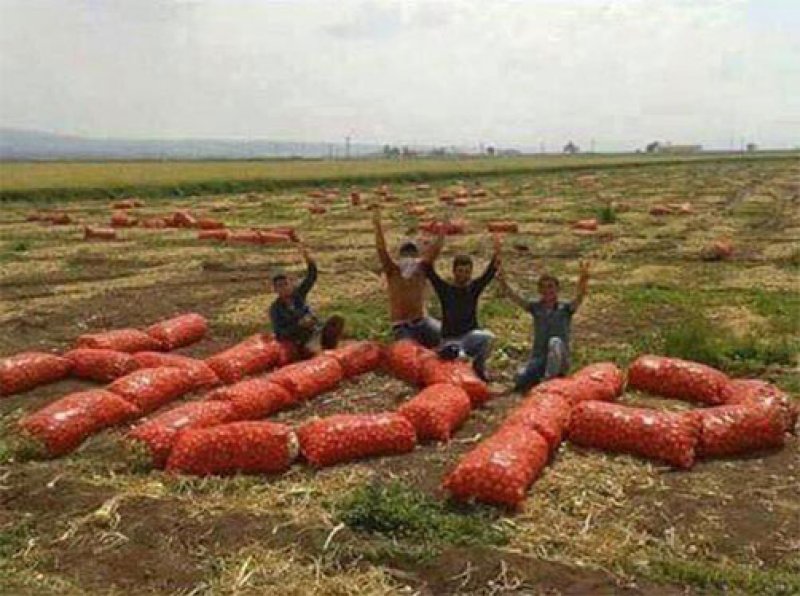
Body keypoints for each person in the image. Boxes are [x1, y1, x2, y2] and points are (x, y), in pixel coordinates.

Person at [498, 260, 591, 392]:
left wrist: (584, 279)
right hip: (540, 358)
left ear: (557, 289)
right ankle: (540, 376)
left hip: (560, 359)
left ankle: (549, 381)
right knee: (520, 378)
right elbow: (515, 298)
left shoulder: (565, 309)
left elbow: (580, 297)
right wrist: (503, 283)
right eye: (544, 287)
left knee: (555, 342)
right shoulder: (536, 308)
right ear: (539, 290)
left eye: (551, 286)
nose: (548, 290)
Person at [422, 232, 501, 381]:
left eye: (467, 272)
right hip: (451, 340)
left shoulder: (473, 288)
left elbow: (490, 271)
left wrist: (497, 247)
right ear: (454, 271)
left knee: (488, 338)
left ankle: (479, 369)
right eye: (460, 271)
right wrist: (438, 240)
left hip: (470, 336)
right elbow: (428, 269)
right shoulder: (445, 289)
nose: (463, 275)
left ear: (471, 272)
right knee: (459, 357)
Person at [372, 203, 441, 347]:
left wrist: (443, 230)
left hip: (423, 321)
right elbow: (381, 250)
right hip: (402, 326)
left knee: (449, 339)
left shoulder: (422, 269)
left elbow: (435, 250)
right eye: (406, 255)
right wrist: (377, 227)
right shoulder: (393, 271)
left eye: (412, 254)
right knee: (407, 354)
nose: (409, 260)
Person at [269, 238, 344, 356]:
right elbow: (280, 333)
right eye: (280, 286)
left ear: (291, 285)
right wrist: (298, 325)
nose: (284, 288)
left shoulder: (298, 294)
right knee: (311, 350)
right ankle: (318, 348)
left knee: (337, 319)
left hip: (316, 329)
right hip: (301, 338)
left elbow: (311, 276)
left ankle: (326, 343)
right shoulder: (275, 309)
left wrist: (307, 257)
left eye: (286, 284)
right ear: (275, 290)